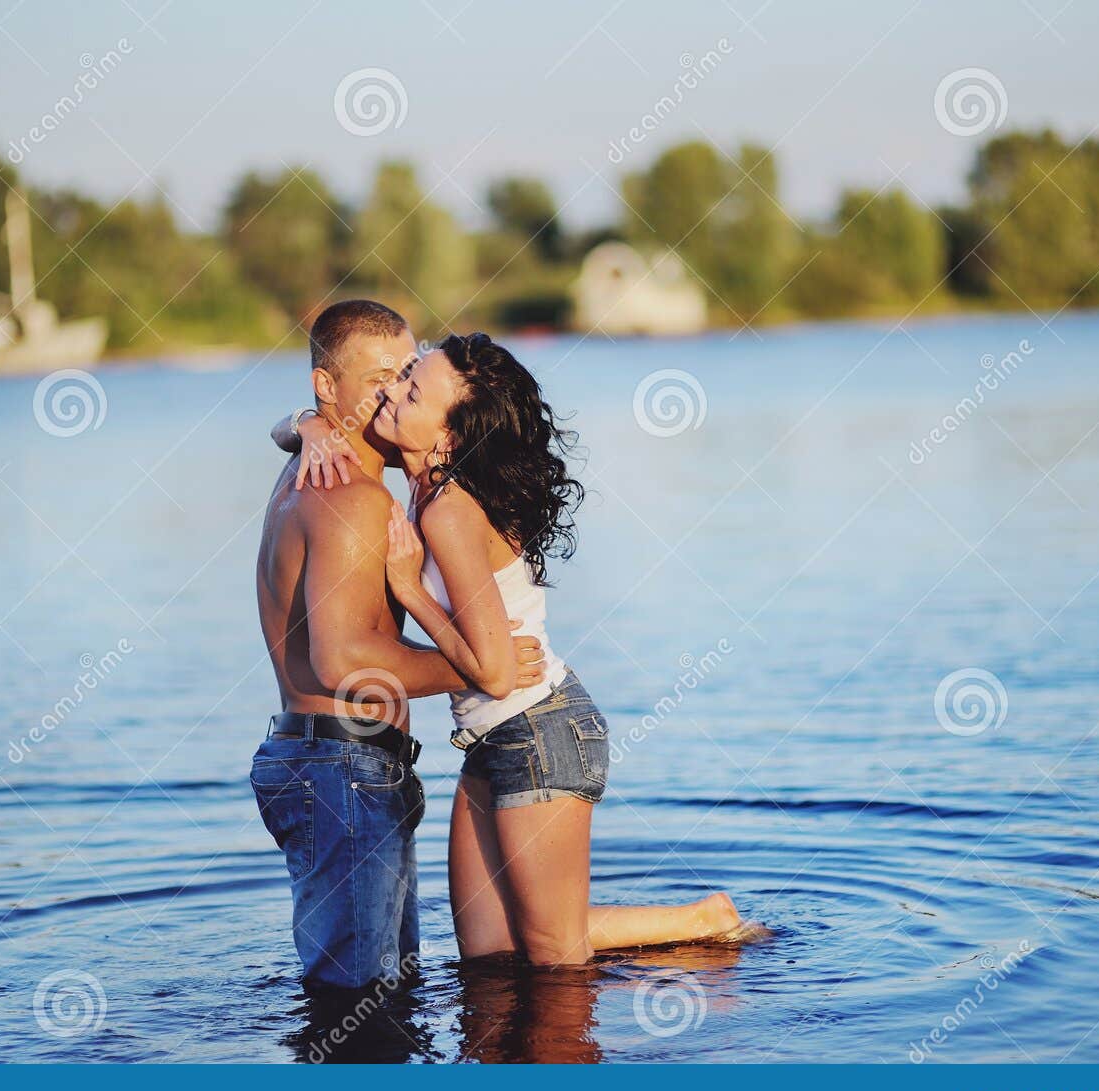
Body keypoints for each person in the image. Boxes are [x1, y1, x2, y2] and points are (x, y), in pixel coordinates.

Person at [283, 331, 764, 966]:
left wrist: (408, 589)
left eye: (412, 388)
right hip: (492, 739)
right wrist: (310, 426)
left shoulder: (449, 510)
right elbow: (302, 427)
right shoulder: (426, 475)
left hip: (541, 729)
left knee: (552, 954)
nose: (394, 393)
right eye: (398, 380)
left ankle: (704, 921)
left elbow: (498, 671)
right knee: (487, 953)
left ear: (448, 436)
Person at [250, 301, 546, 988]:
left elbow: (287, 425)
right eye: (377, 377)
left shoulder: (307, 468)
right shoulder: (353, 498)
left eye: (405, 375)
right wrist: (471, 668)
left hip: (318, 759)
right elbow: (342, 659)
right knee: (362, 1004)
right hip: (343, 769)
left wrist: (306, 424)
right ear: (328, 387)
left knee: (375, 990)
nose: (393, 394)